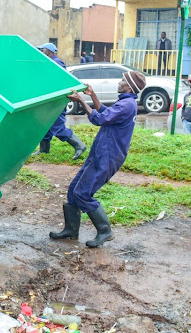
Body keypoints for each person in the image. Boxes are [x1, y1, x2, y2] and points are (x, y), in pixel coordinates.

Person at [51, 70, 146, 247]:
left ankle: (105, 231)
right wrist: (92, 95)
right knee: (73, 191)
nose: (119, 82)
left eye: (123, 80)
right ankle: (71, 231)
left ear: (130, 86)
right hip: (101, 153)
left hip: (108, 156)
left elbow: (99, 119)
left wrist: (81, 100)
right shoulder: (126, 102)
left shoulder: (127, 105)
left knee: (83, 193)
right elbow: (105, 112)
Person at [34, 43, 87, 160]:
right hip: (51, 101)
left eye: (42, 50)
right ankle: (44, 149)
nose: (41, 52)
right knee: (45, 125)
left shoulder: (57, 63)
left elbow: (59, 81)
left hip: (56, 102)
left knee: (57, 127)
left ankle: (79, 145)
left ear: (49, 51)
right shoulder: (49, 63)